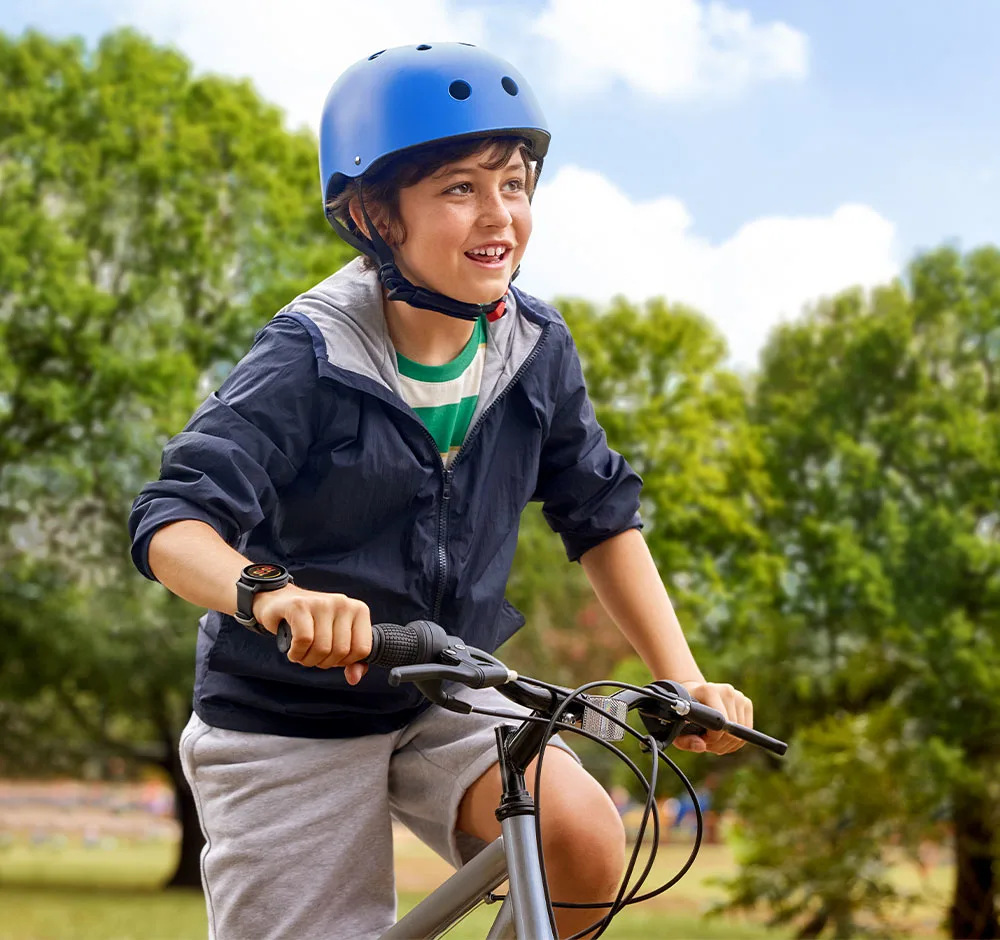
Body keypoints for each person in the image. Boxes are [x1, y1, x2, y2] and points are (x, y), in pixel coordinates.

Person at [128, 42, 754, 940]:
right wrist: (273, 593)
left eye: (514, 184)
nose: (499, 214)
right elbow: (171, 520)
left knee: (584, 839)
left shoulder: (534, 349)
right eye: (460, 189)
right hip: (286, 716)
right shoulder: (308, 357)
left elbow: (603, 516)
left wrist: (682, 678)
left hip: (444, 689)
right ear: (375, 216)